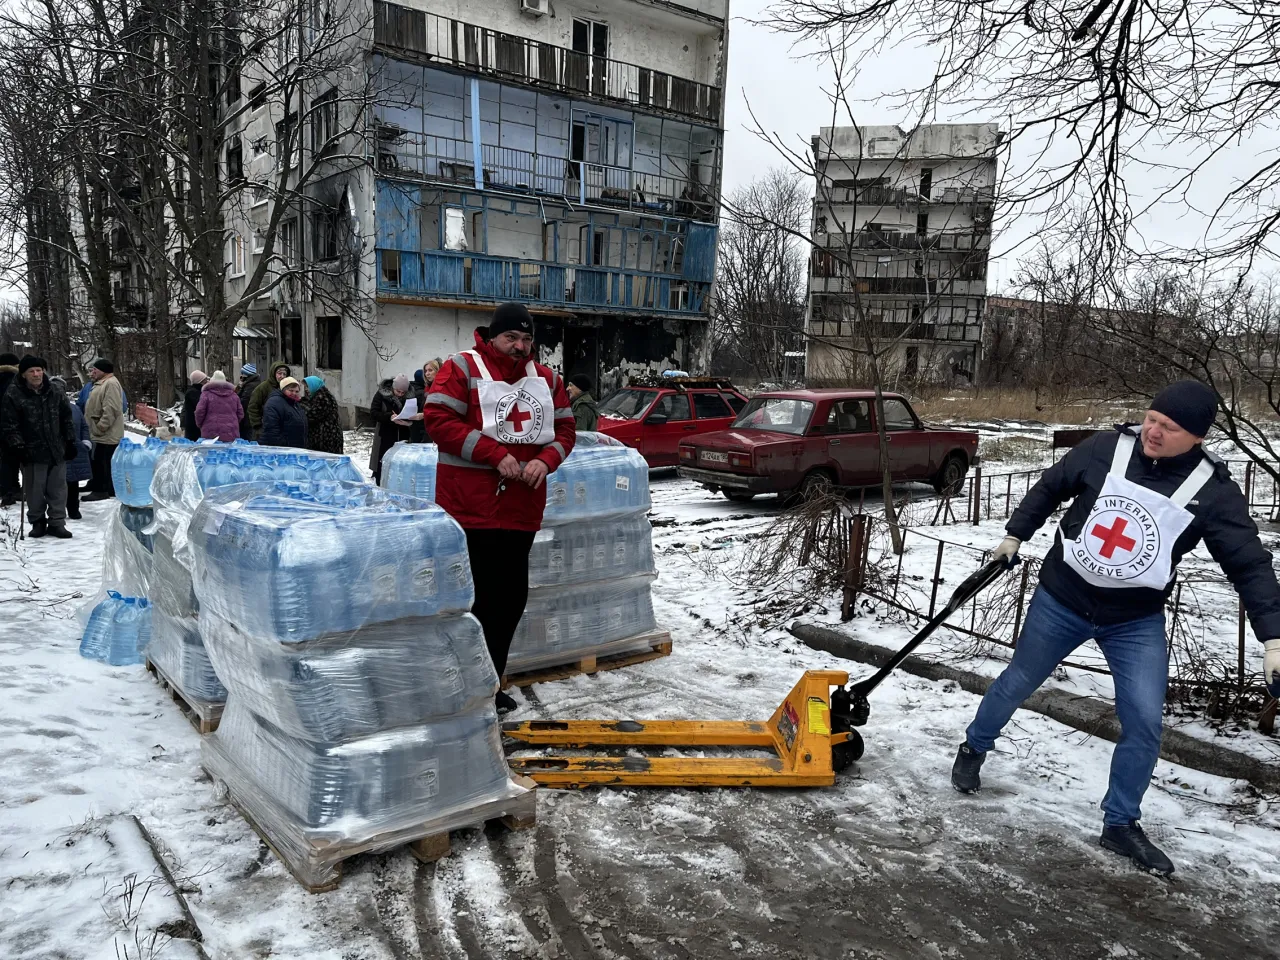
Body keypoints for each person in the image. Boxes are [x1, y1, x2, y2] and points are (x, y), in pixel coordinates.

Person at [951, 381, 1280, 876]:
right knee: (1018, 681)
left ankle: (1120, 824)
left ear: (1196, 437)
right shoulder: (1106, 448)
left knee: (1145, 720)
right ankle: (974, 747)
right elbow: (1050, 485)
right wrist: (1014, 535)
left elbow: (1250, 565)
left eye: (1169, 428)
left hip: (1134, 621)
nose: (1153, 430)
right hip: (1063, 599)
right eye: (1151, 418)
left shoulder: (1213, 491)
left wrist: (1273, 636)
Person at [422, 303, 576, 713]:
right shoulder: (462, 368)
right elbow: (437, 420)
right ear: (492, 337)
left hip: (521, 510)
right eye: (511, 338)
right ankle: (463, 689)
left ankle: (489, 686)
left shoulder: (545, 379)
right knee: (476, 603)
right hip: (471, 509)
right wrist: (493, 454)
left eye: (527, 339)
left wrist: (546, 461)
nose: (520, 347)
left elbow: (566, 429)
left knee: (509, 602)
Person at [0, 356, 77, 538]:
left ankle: (57, 522)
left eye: (39, 370)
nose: (36, 374)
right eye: (31, 371)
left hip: (57, 449)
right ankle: (38, 522)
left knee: (58, 489)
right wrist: (17, 446)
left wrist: (70, 441)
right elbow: (10, 424)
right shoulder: (13, 394)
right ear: (24, 374)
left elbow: (66, 418)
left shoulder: (55, 391)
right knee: (34, 490)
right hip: (31, 451)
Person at [51, 376, 91, 520]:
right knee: (57, 484)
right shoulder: (47, 408)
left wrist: (86, 441)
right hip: (55, 452)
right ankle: (57, 512)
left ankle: (73, 509)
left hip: (74, 451)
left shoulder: (74, 408)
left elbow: (84, 426)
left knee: (72, 483)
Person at [84, 358, 124, 501]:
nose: (92, 372)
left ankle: (101, 489)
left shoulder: (111, 384)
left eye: (95, 369)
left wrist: (101, 426)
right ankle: (97, 484)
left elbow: (111, 408)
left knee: (103, 462)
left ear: (103, 371)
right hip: (101, 432)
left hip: (107, 433)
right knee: (99, 460)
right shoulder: (102, 383)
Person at [369, 373, 411, 483]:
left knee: (399, 469)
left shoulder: (410, 397)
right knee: (382, 465)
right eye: (398, 391)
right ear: (393, 388)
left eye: (403, 393)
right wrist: (389, 416)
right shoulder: (381, 395)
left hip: (403, 435)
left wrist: (409, 419)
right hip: (385, 435)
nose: (400, 394)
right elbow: (373, 413)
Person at [195, 370, 243, 442]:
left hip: (210, 432)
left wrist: (200, 424)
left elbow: (199, 411)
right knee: (229, 452)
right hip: (231, 431)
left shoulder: (206, 394)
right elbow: (240, 413)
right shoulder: (234, 395)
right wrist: (233, 422)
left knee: (211, 452)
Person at [259, 376, 307, 447]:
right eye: (291, 390)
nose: (294, 393)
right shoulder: (274, 403)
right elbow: (272, 430)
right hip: (281, 449)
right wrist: (285, 445)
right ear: (283, 390)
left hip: (293, 447)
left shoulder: (295, 403)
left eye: (296, 391)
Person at [247, 361, 290, 438]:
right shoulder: (263, 388)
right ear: (273, 373)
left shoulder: (287, 388)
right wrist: (258, 426)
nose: (282, 376)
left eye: (284, 374)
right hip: (265, 428)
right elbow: (253, 407)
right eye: (279, 373)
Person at [301, 375, 343, 453]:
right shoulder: (319, 395)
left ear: (314, 385)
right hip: (327, 438)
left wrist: (301, 406)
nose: (306, 389)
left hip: (327, 439)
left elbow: (312, 416)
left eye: (307, 386)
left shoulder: (323, 397)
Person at [0, 351, 19, 505]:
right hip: (12, 425)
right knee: (11, 459)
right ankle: (12, 489)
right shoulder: (16, 380)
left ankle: (6, 489)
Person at [408, 358, 441, 444]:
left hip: (439, 429)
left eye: (430, 370)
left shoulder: (441, 388)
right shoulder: (427, 389)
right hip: (427, 429)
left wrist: (423, 415)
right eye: (425, 371)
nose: (427, 374)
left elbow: (441, 410)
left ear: (438, 371)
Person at [181, 370, 208, 441]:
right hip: (194, 426)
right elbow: (201, 407)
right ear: (200, 381)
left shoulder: (195, 391)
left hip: (194, 425)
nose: (207, 382)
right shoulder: (193, 392)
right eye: (205, 381)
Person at [236, 363, 261, 439]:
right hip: (248, 417)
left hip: (247, 418)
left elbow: (244, 401)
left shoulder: (250, 386)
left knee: (246, 437)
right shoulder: (252, 384)